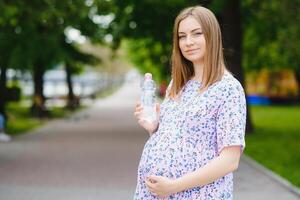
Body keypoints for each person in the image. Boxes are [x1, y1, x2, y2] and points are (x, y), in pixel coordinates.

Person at [133, 5, 246, 200]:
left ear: (212, 36)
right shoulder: (178, 85)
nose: (188, 42)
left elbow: (230, 161)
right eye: (182, 36)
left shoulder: (228, 89)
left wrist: (174, 187)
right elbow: (180, 137)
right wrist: (154, 127)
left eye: (196, 34)